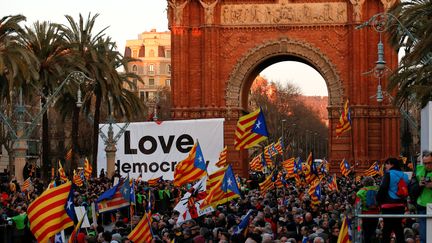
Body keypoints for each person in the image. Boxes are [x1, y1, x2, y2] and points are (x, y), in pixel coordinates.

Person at [376, 158, 409, 243]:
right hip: (400, 205)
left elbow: (383, 188)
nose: (385, 166)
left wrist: (378, 199)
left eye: (387, 164)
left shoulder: (388, 174)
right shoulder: (404, 175)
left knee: (387, 229)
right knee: (398, 228)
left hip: (388, 205)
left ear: (392, 164)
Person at [415, 150, 432, 243]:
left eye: (429, 163)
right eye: (425, 163)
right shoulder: (419, 170)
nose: (427, 166)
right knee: (423, 236)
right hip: (422, 205)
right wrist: (419, 185)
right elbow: (412, 189)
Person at [356, 176, 379, 242]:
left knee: (366, 232)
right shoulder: (377, 189)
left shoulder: (360, 192)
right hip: (376, 214)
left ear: (364, 183)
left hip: (365, 215)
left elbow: (357, 203)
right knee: (373, 231)